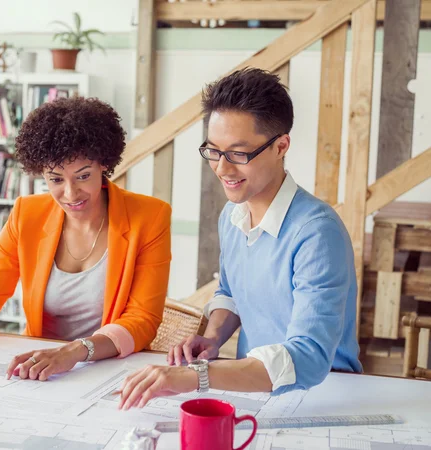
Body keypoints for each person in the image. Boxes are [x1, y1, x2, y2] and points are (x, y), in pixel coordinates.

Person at [117, 67, 362, 411]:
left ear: (281, 146)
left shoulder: (317, 233)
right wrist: (213, 337)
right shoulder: (232, 218)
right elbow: (230, 293)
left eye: (239, 154)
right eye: (214, 151)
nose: (222, 168)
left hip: (325, 396)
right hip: (256, 391)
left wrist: (197, 376)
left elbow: (308, 357)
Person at [0, 97, 172, 381]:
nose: (71, 193)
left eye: (83, 176)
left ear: (104, 164)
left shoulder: (149, 217)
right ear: (41, 173)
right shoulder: (26, 214)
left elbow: (143, 320)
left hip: (111, 370)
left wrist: (74, 352)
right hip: (40, 370)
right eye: (56, 179)